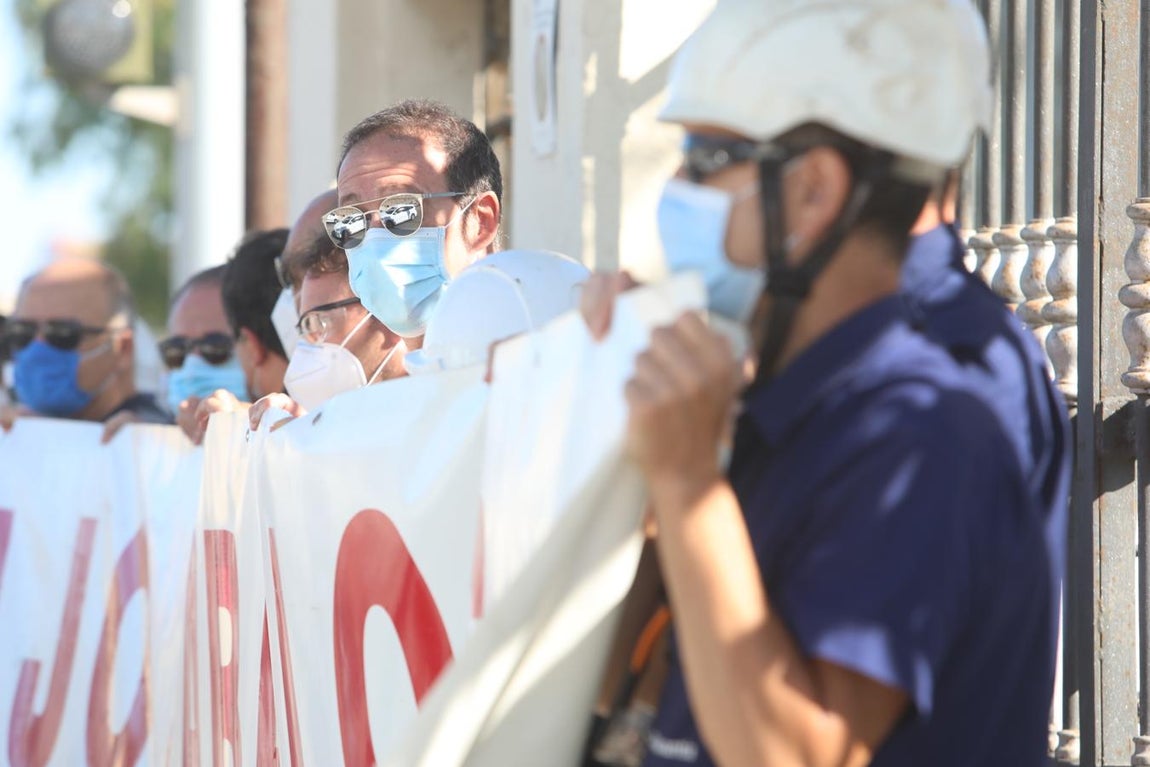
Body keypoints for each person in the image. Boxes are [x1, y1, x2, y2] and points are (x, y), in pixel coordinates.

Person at [584, 2, 1064, 765]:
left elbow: (804, 753)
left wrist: (687, 480)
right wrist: (603, 430)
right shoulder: (779, 406)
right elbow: (626, 680)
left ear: (813, 191)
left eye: (706, 159)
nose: (677, 187)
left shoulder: (922, 433)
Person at [324, 99, 503, 340]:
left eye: (400, 210)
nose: (374, 239)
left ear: (481, 222)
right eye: (351, 221)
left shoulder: (539, 353)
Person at [0, 257, 169, 437]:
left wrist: (149, 439)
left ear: (123, 348)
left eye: (63, 333)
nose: (38, 349)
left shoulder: (165, 437)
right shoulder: (16, 430)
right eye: (23, 331)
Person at [248, 235, 405, 428]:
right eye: (305, 328)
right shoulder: (363, 428)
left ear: (390, 312)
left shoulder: (433, 417)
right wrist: (306, 428)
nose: (308, 346)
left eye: (317, 322)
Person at [162, 265, 249, 439]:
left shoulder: (293, 427)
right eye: (177, 349)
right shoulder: (149, 433)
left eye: (214, 346)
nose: (192, 364)